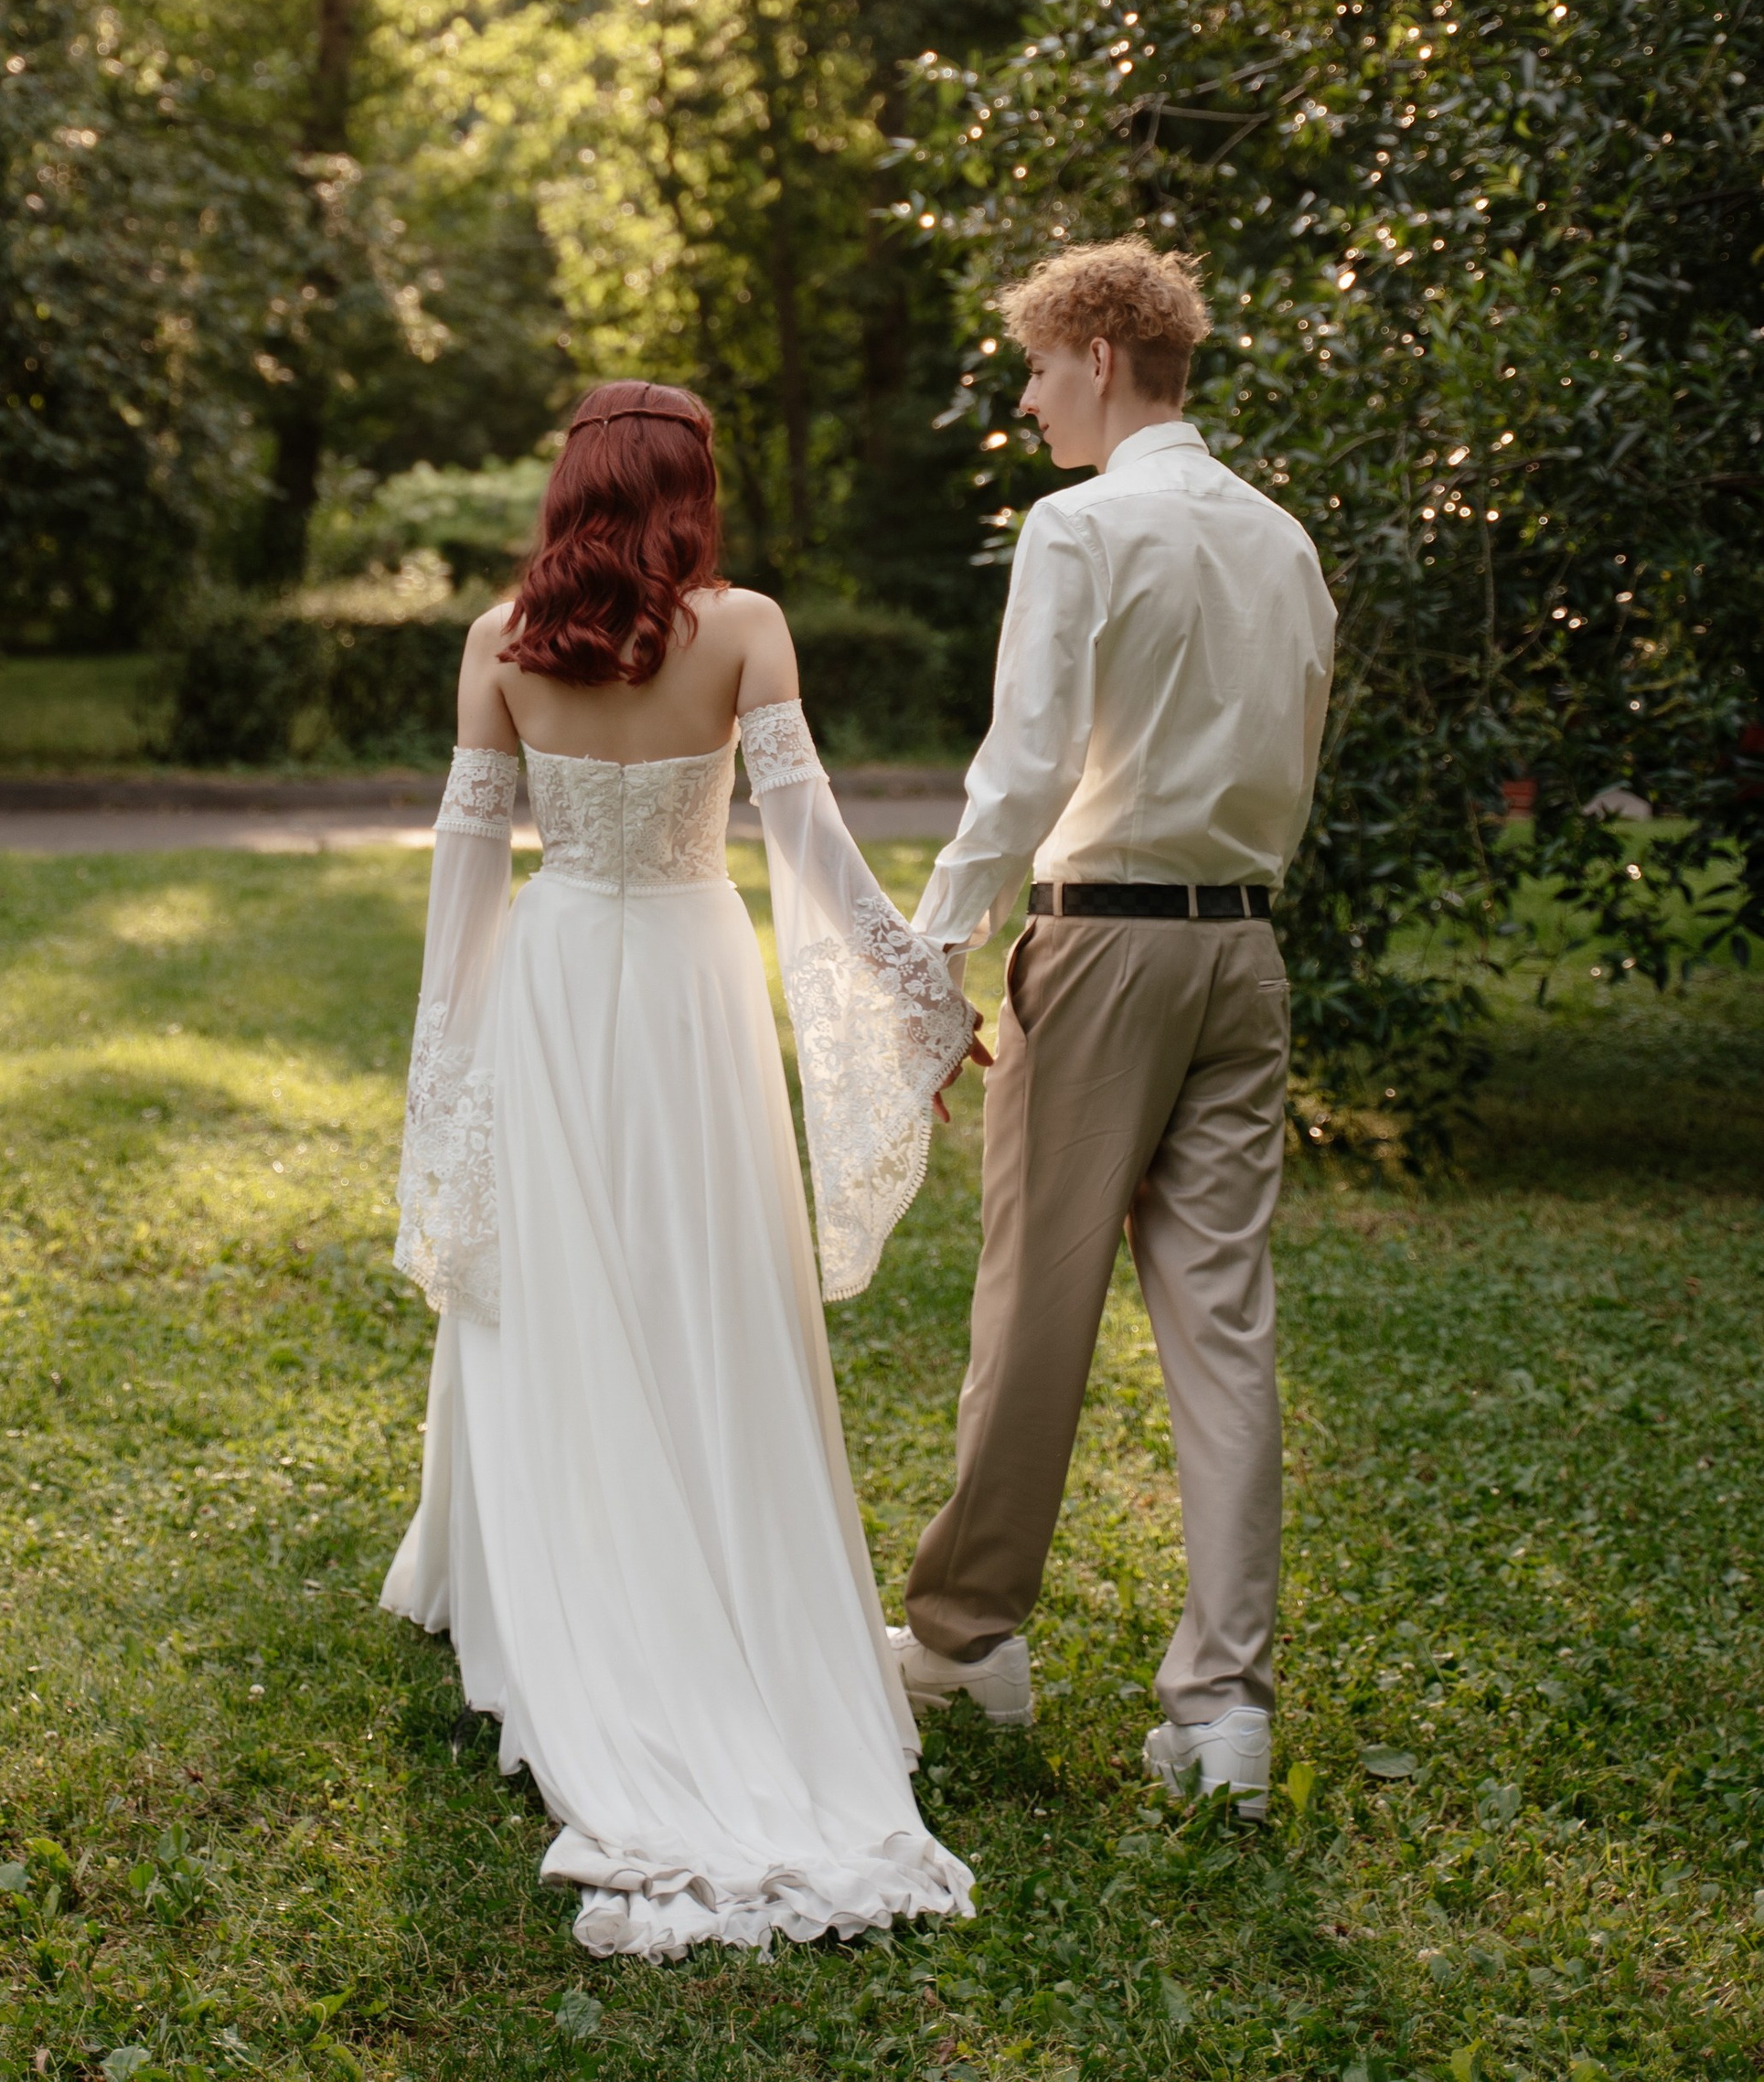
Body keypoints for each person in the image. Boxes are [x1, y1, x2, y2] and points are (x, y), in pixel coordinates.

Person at [381, 379, 978, 1959]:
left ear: (570, 490)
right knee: (709, 1282)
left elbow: (465, 874)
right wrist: (915, 984)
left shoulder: (500, 643)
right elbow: (807, 836)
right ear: (691, 489)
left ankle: (524, 1578)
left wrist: (444, 1079)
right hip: (696, 985)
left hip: (558, 981)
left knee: (555, 1291)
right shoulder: (745, 629)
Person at [889, 240, 1337, 1820]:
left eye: (1031, 366)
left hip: (1107, 947)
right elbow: (1296, 752)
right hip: (1245, 957)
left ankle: (963, 1641)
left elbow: (1021, 770)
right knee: (1223, 1325)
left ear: (1094, 349)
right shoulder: (1285, 543)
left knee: (1035, 1307)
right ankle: (1225, 1712)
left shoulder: (1080, 527)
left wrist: (929, 962)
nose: (1024, 399)